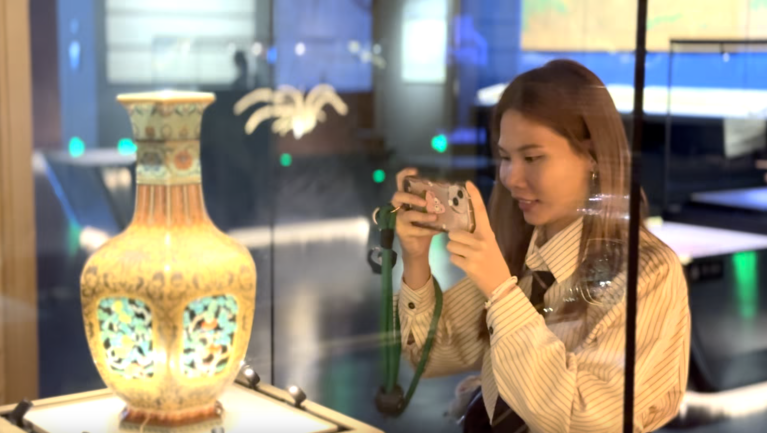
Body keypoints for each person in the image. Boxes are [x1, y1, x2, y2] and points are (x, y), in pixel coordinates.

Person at [392, 60, 690, 433]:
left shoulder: (648, 274)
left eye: (532, 158)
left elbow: (585, 419)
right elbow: (429, 356)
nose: (511, 177)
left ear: (593, 156)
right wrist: (416, 260)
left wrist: (502, 293)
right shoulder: (522, 252)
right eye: (505, 157)